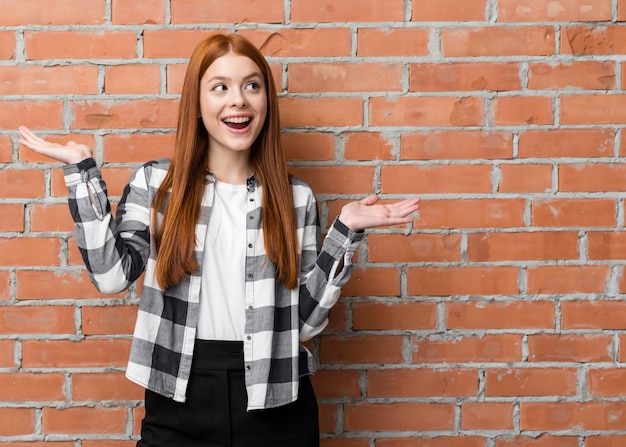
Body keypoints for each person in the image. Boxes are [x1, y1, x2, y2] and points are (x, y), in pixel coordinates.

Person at [18, 33, 419, 447]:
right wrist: (82, 173)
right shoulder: (157, 184)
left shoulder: (295, 197)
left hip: (277, 400)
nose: (239, 100)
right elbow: (110, 276)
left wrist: (345, 233)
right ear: (197, 102)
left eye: (252, 85)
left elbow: (302, 326)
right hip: (178, 393)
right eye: (220, 87)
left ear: (266, 102)